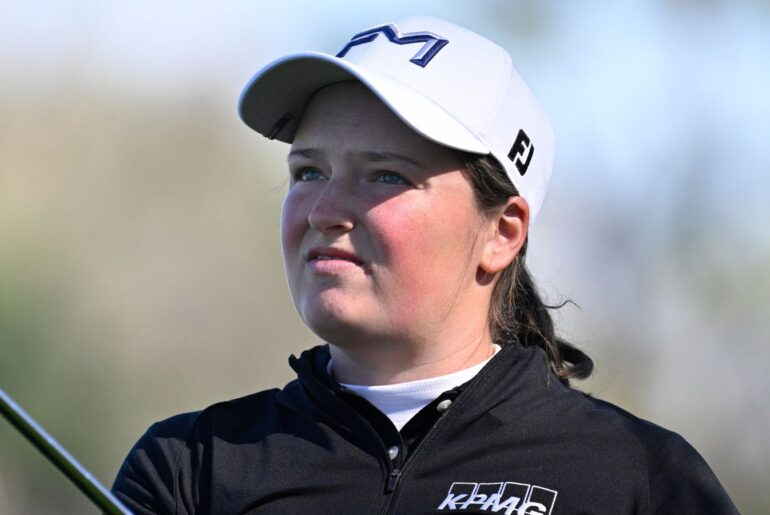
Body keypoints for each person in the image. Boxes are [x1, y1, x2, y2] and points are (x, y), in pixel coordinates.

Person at [111, 15, 738, 514]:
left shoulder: (639, 477)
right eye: (308, 171)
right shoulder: (189, 467)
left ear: (502, 232)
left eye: (386, 175)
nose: (324, 209)